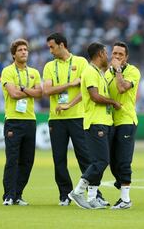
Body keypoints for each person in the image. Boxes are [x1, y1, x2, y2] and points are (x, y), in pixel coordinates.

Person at [43, 33, 107, 207]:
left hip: (78, 117)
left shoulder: (80, 62)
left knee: (86, 158)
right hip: (56, 118)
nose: (50, 51)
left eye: (52, 47)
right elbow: (47, 91)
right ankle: (65, 194)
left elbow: (86, 89)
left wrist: (70, 104)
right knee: (59, 159)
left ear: (62, 45)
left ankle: (95, 194)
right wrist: (70, 84)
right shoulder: (49, 66)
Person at [68, 42, 121, 209]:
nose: (108, 56)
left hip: (103, 121)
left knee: (100, 161)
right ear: (100, 54)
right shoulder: (90, 72)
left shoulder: (99, 72)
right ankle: (77, 191)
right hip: (95, 122)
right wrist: (113, 102)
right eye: (106, 53)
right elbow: (95, 97)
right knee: (101, 161)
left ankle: (91, 198)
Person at [1, 39, 42, 206]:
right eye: (20, 50)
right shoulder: (7, 71)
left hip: (30, 120)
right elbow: (13, 94)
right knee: (12, 159)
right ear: (13, 54)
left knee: (27, 160)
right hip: (13, 121)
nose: (24, 52)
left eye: (26, 50)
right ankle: (8, 195)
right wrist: (29, 91)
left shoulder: (34, 72)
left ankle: (18, 194)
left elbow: (40, 93)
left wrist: (23, 89)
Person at [105, 41, 140, 209]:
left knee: (124, 161)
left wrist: (118, 69)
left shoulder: (133, 71)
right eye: (114, 54)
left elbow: (121, 88)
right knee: (112, 161)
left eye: (120, 54)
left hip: (126, 120)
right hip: (111, 122)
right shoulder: (106, 73)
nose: (116, 57)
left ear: (126, 57)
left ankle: (126, 199)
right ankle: (122, 184)